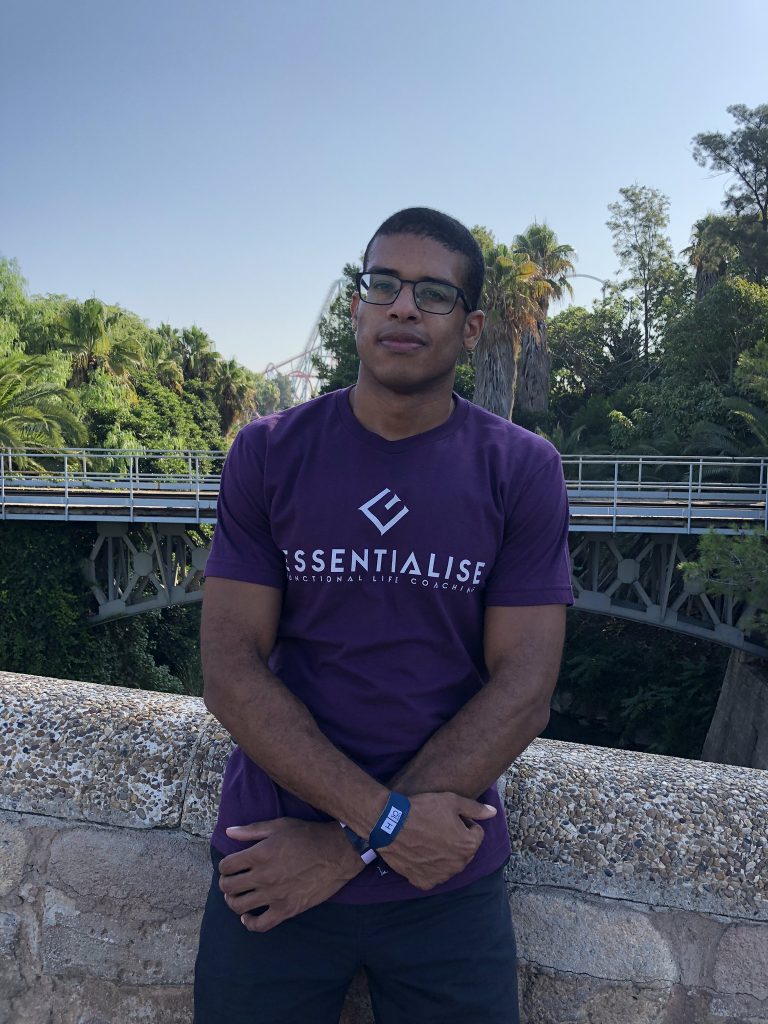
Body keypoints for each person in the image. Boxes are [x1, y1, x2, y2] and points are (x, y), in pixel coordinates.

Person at [193, 207, 573, 1024]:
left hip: (445, 885)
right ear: (355, 307)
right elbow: (229, 669)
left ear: (472, 328)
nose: (403, 306)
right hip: (270, 865)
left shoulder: (521, 470)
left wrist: (344, 848)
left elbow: (525, 689)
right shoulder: (267, 453)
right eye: (383, 285)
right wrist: (385, 824)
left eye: (433, 294)